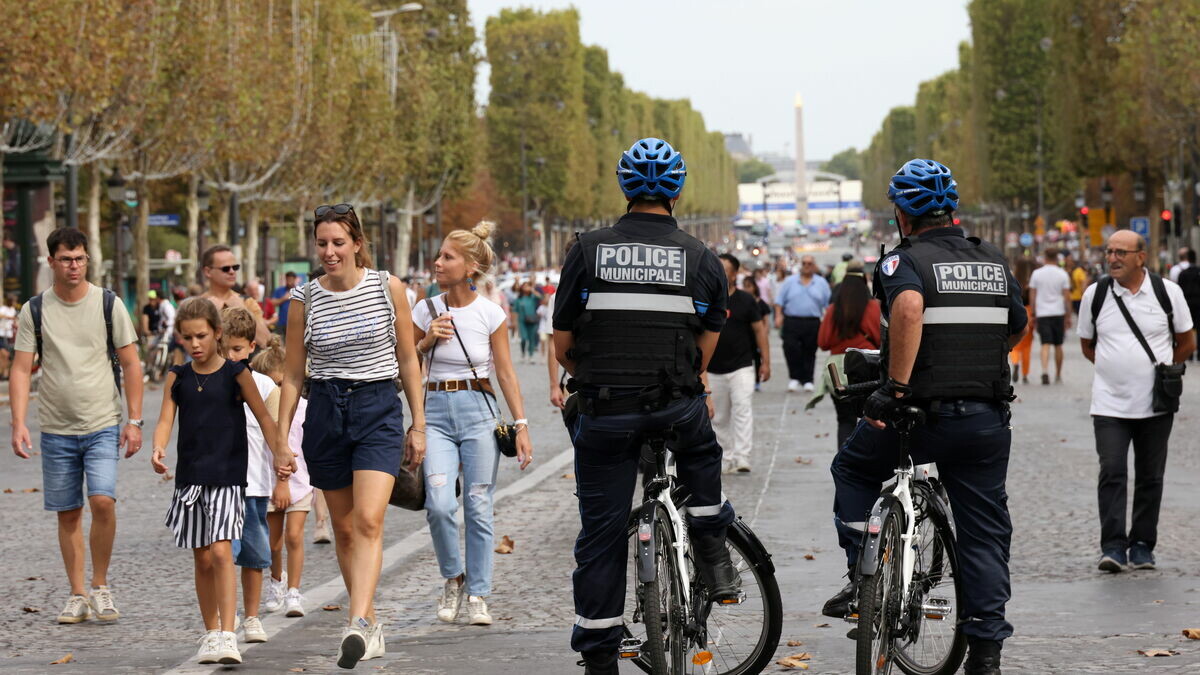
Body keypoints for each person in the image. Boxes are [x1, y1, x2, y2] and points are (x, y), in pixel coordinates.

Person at [826, 159, 1027, 675]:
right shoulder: (994, 261)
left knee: (852, 468)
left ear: (901, 213)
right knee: (984, 532)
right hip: (985, 416)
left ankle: (862, 573)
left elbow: (909, 310)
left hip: (920, 415)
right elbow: (1014, 325)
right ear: (952, 208)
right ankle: (985, 652)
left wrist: (894, 387)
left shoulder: (903, 262)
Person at [553, 138, 739, 675]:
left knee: (600, 537)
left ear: (624, 188)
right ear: (677, 192)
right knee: (702, 454)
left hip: (607, 412)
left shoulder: (587, 251)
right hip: (674, 408)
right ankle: (710, 546)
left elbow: (562, 344)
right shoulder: (702, 258)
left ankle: (599, 656)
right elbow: (706, 348)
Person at [276, 203, 426, 669]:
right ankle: (371, 621)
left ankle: (357, 621)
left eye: (338, 242)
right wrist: (281, 437)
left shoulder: (387, 287)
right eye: (322, 243)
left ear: (357, 243)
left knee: (367, 521)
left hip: (378, 407)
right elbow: (293, 373)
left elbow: (406, 358)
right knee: (342, 528)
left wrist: (418, 425)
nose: (329, 252)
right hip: (325, 411)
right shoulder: (304, 299)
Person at [9, 227, 144, 625]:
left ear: (88, 260)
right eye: (66, 259)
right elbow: (20, 369)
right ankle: (77, 593)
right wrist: (19, 422)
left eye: (80, 258)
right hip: (55, 427)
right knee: (67, 513)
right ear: (51, 262)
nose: (74, 265)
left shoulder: (108, 304)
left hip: (102, 421)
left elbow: (132, 363)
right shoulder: (35, 309)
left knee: (102, 500)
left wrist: (134, 420)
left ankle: (100, 585)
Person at [149, 297, 287, 665]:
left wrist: (281, 454)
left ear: (218, 334)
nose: (195, 344)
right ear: (180, 337)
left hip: (228, 476)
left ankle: (229, 633)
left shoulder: (235, 374)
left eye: (202, 336)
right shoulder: (177, 377)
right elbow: (165, 419)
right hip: (190, 479)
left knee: (223, 551)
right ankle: (210, 631)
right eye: (188, 337)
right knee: (203, 558)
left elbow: (264, 418)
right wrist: (158, 447)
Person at [412, 220, 533, 628]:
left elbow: (505, 372)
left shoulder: (490, 313)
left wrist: (521, 424)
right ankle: (454, 577)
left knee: (478, 506)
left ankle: (479, 593)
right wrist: (426, 341)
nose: (437, 262)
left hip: (479, 412)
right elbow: (403, 368)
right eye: (440, 255)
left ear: (469, 268)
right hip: (435, 412)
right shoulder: (424, 309)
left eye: (448, 256)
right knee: (440, 505)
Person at [1077, 230, 1195, 572]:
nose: (1112, 258)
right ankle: (1112, 546)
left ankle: (1143, 545)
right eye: (1109, 251)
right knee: (1111, 471)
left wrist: (1163, 371)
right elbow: (1087, 345)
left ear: (1141, 257)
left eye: (1121, 252)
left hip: (1156, 404)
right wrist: (1114, 370)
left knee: (1150, 476)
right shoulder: (1095, 294)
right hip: (1109, 405)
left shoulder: (1166, 292)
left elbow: (1187, 341)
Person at [219, 306, 280, 644]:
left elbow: (276, 432)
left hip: (255, 484)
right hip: (219, 484)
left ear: (251, 347)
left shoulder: (264, 384)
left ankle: (253, 616)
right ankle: (224, 619)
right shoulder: (209, 381)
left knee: (254, 557)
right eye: (225, 349)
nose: (230, 356)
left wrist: (283, 475)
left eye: (237, 349)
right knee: (223, 554)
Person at [252, 338, 313, 618]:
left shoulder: (303, 408)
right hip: (269, 483)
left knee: (294, 536)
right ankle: (277, 581)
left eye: (279, 385)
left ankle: (294, 591)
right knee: (273, 542)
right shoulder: (260, 413)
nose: (275, 392)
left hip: (299, 484)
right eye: (268, 386)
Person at [709, 254, 770, 473]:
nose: (721, 273)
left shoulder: (746, 300)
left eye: (725, 269)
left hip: (742, 366)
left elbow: (759, 331)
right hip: (713, 368)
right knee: (719, 417)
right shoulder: (708, 299)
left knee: (743, 409)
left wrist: (766, 362)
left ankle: (743, 457)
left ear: (735, 273)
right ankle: (726, 457)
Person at [816, 260, 881, 449]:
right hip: (866, 368)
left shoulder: (833, 310)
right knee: (870, 419)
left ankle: (844, 461)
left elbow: (822, 343)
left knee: (844, 421)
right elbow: (881, 340)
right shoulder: (872, 308)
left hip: (838, 371)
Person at [774, 255, 831, 392]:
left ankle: (808, 379)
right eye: (804, 263)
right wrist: (778, 316)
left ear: (814, 265)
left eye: (809, 263)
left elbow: (828, 305)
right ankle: (795, 377)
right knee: (790, 348)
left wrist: (829, 322)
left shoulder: (821, 283)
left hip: (812, 322)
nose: (806, 265)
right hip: (791, 321)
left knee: (809, 350)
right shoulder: (790, 282)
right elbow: (779, 301)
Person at [200, 245, 270, 346]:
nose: (232, 272)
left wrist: (243, 311)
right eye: (225, 268)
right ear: (207, 271)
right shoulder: (196, 305)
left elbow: (266, 342)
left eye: (235, 267)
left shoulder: (247, 302)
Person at [1028, 248, 1072, 384]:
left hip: (1043, 313)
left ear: (1045, 257)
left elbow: (1032, 294)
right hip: (1058, 312)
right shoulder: (1062, 274)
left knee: (1045, 344)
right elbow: (1067, 297)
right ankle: (1058, 374)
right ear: (1057, 258)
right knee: (1059, 344)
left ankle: (1045, 371)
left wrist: (1033, 312)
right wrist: (1068, 315)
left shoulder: (1037, 274)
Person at [740, 275, 772, 392]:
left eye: (749, 286)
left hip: (757, 336)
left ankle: (757, 381)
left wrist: (765, 332)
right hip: (745, 336)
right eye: (745, 286)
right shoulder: (742, 301)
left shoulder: (761, 303)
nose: (747, 289)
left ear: (754, 287)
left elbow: (766, 320)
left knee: (758, 359)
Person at [1008, 257, 1035, 385]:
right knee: (1027, 346)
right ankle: (1025, 373)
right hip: (1029, 312)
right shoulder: (1031, 281)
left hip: (1016, 310)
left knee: (1016, 344)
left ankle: (1015, 362)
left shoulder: (1013, 279)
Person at [1177, 249, 1200, 361]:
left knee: (1188, 327)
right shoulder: (1198, 271)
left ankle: (1189, 354)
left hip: (1186, 303)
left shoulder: (1182, 273)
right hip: (1198, 302)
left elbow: (1179, 289)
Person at [512, 280, 540, 363]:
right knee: (523, 339)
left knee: (531, 339)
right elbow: (514, 311)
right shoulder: (519, 299)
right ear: (521, 288)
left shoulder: (532, 297)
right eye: (525, 286)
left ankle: (531, 356)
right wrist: (514, 322)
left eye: (528, 286)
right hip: (522, 322)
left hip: (532, 321)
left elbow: (540, 297)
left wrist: (532, 290)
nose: (526, 287)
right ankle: (523, 354)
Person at [272, 271, 299, 336]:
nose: (289, 281)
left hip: (295, 323)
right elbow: (272, 303)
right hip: (282, 322)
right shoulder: (279, 290)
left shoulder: (299, 290)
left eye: (291, 280)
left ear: (295, 279)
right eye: (288, 279)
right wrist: (284, 298)